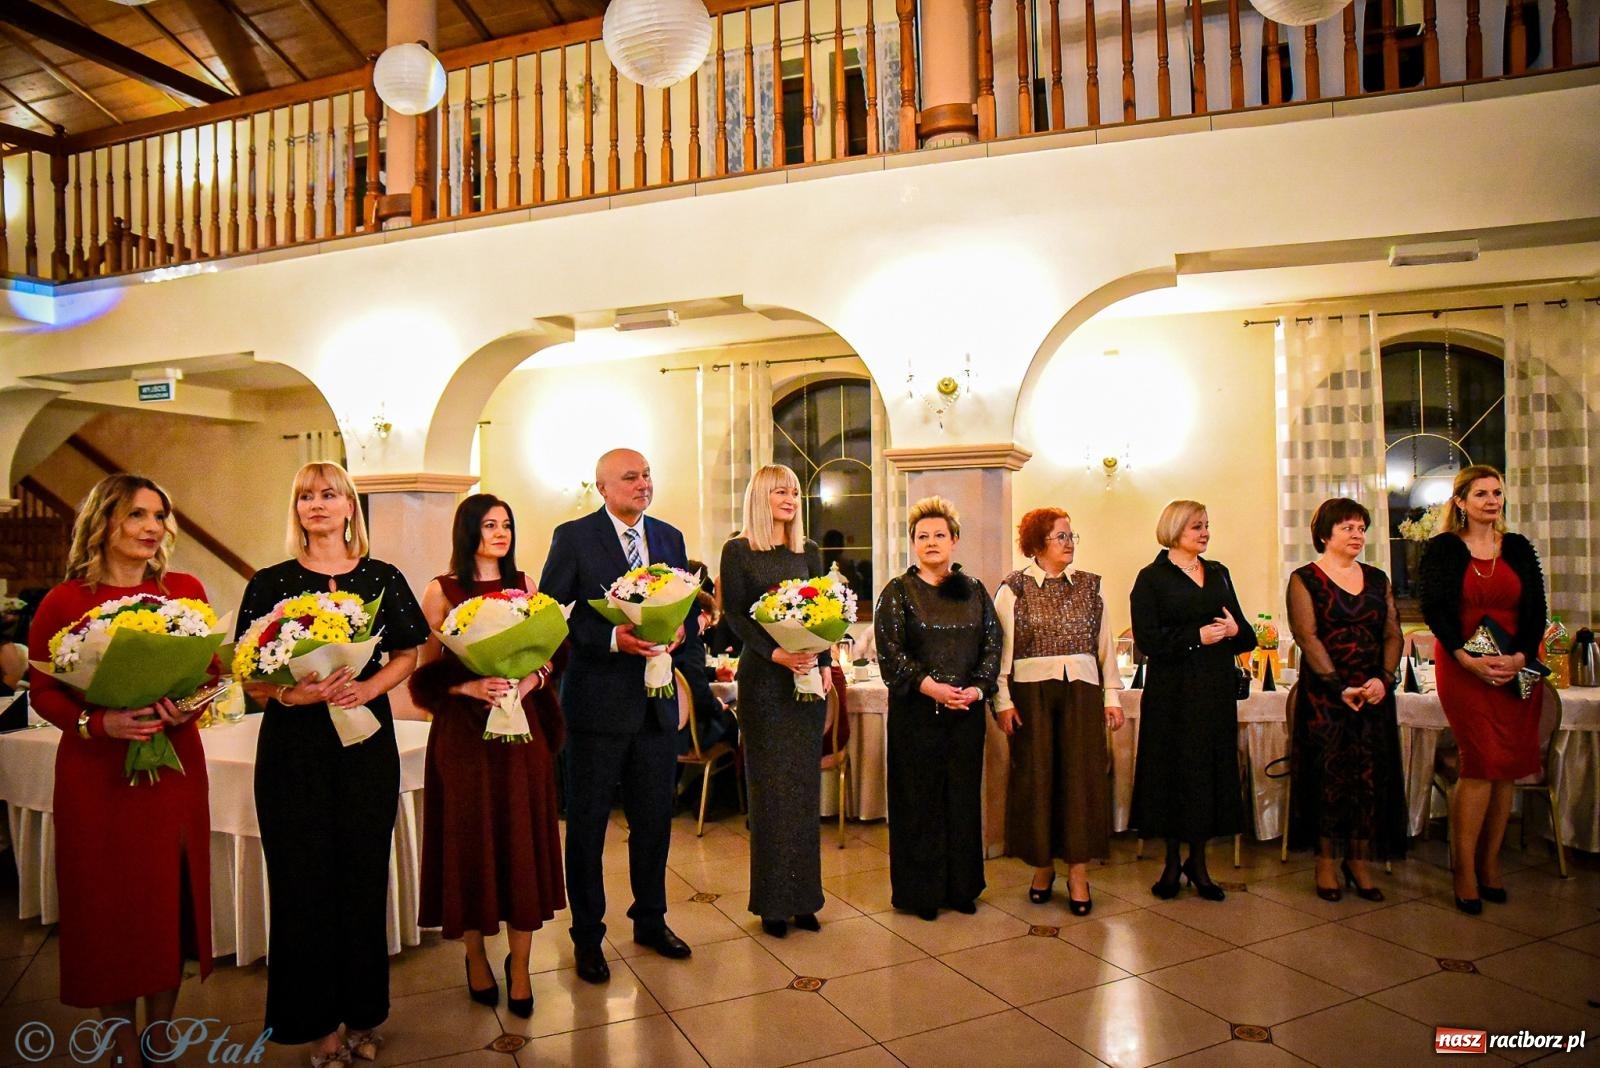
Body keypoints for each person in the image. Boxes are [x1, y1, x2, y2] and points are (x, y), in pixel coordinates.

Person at [237, 462, 428, 1066]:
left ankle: (363, 1014)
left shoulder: (382, 577)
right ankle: (317, 1025)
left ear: (350, 507)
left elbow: (410, 651)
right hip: (295, 750)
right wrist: (293, 694)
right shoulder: (270, 582)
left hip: (364, 742)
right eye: (305, 497)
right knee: (304, 884)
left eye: (328, 494)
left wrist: (371, 690)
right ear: (295, 511)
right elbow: (248, 670)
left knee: (362, 878)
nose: (316, 505)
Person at [25, 475, 213, 1066]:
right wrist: (97, 724)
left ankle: (159, 1037)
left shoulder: (183, 591)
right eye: (137, 514)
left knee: (165, 907)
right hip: (97, 777)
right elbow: (43, 691)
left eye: (159, 515)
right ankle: (121, 1046)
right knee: (109, 908)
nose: (152, 527)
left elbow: (211, 674)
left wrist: (187, 703)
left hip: (173, 768)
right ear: (105, 521)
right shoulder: (63, 600)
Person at [539, 448, 701, 984]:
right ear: (602, 487)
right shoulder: (574, 537)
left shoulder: (670, 537)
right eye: (630, 478)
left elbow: (687, 609)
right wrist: (611, 637)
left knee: (655, 820)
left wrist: (680, 632)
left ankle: (650, 920)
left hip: (656, 707)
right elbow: (553, 616)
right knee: (586, 826)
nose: (642, 484)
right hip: (595, 706)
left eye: (647, 474)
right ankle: (588, 935)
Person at [408, 494, 565, 1020]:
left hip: (522, 732)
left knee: (522, 841)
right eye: (488, 524)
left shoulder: (527, 586)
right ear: (467, 530)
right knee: (469, 845)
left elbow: (551, 657)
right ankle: (475, 957)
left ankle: (520, 967)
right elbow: (426, 674)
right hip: (464, 738)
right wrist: (469, 687)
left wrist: (529, 682)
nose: (500, 533)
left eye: (506, 525)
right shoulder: (441, 590)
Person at [1418, 464, 1547, 915]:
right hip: (1463, 664)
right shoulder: (1444, 549)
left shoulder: (1517, 548)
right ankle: (1464, 870)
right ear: (1460, 502)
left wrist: (1519, 657)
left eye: (1497, 493)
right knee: (1479, 762)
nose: (1492, 501)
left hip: (1517, 664)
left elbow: (1537, 609)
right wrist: (1464, 657)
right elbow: (1434, 609)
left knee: (1506, 766)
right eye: (1481, 494)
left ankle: (1490, 864)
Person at [874, 496, 1001, 921]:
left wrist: (977, 690)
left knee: (962, 801)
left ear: (955, 540)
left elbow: (991, 645)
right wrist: (933, 688)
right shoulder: (897, 592)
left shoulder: (976, 591)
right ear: (912, 544)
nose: (931, 542)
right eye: (922, 536)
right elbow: (891, 654)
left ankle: (962, 887)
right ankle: (921, 892)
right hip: (917, 714)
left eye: (939, 535)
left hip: (965, 714)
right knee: (920, 802)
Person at [718, 464, 832, 938]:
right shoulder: (738, 551)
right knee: (770, 795)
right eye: (780, 491)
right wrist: (775, 652)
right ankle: (772, 902)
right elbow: (735, 616)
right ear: (760, 498)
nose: (790, 498)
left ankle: (804, 899)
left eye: (794, 492)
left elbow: (826, 612)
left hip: (805, 682)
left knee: (804, 794)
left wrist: (824, 665)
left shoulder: (808, 550)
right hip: (765, 683)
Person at [994, 507, 1124, 916]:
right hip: (1030, 696)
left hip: (1082, 693)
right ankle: (1042, 867)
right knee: (1036, 780)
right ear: (1037, 544)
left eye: (1071, 536)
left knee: (1081, 781)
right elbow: (1000, 652)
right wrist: (1002, 700)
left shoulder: (1090, 587)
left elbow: (1105, 649)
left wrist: (1112, 697)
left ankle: (1079, 873)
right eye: (1060, 537)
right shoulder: (1013, 588)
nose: (1069, 544)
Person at [1129, 499, 1256, 902]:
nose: (1204, 532)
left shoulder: (1218, 573)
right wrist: (1194, 639)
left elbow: (1246, 635)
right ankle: (1170, 861)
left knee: (1208, 772)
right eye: (1196, 526)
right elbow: (1146, 640)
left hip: (1214, 690)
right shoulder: (1151, 578)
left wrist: (1235, 629)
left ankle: (1198, 862)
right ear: (1175, 529)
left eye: (1206, 525)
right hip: (1172, 692)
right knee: (1171, 772)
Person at [1285, 498, 1407, 902]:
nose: (1358, 535)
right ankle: (1324, 861)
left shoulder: (1377, 578)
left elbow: (1392, 633)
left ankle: (1358, 859)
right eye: (1348, 528)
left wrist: (1384, 679)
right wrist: (1339, 685)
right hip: (1327, 694)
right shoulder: (1305, 578)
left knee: (1370, 777)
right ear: (1325, 535)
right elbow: (1307, 636)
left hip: (1372, 693)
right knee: (1328, 777)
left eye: (1361, 528)